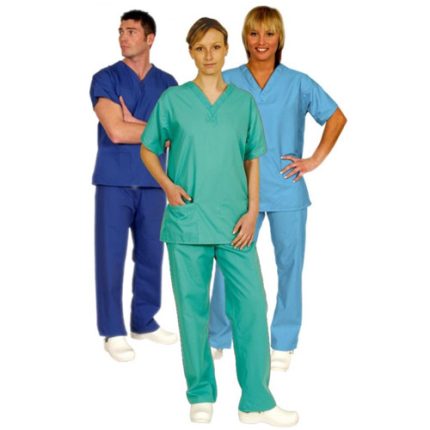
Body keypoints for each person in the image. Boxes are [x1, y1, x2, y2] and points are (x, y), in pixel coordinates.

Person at [140, 17, 299, 427]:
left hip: (235, 225)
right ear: (190, 53)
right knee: (192, 313)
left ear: (227, 49)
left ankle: (256, 401)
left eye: (215, 47)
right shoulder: (174, 100)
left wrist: (252, 210)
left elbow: (253, 161)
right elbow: (148, 149)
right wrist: (167, 186)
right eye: (200, 48)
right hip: (187, 223)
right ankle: (200, 394)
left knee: (252, 309)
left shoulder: (243, 104)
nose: (208, 55)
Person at [209, 6, 347, 371]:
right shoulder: (227, 80)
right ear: (245, 38)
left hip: (287, 189)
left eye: (269, 34)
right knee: (228, 266)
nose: (261, 41)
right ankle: (218, 336)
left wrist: (313, 160)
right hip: (239, 193)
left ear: (279, 38)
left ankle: (283, 343)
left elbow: (336, 117)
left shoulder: (298, 83)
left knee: (290, 267)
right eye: (254, 34)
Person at [89, 10, 178, 362]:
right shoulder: (105, 78)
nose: (123, 37)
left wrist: (134, 122)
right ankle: (113, 330)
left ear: (150, 38)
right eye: (121, 31)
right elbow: (115, 131)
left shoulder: (168, 84)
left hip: (155, 182)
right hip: (114, 181)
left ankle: (144, 321)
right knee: (110, 257)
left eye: (131, 31)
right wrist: (153, 129)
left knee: (152, 255)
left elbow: (176, 136)